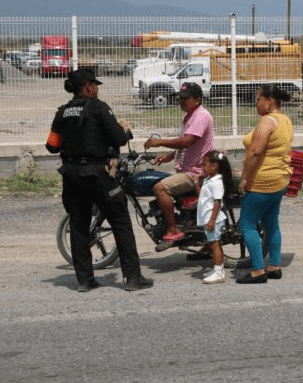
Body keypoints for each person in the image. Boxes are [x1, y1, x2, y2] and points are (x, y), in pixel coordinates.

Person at [45, 69, 154, 292]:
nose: (97, 89)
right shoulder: (99, 108)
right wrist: (124, 130)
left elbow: (52, 146)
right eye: (95, 85)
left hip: (72, 176)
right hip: (99, 174)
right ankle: (133, 278)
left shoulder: (62, 113)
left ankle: (85, 280)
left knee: (78, 226)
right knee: (121, 223)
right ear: (88, 86)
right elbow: (118, 140)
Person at [144, 82, 215, 248]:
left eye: (186, 98)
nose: (181, 101)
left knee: (160, 188)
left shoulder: (201, 116)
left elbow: (188, 141)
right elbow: (189, 144)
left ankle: (173, 229)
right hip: (189, 169)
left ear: (197, 99)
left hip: (195, 173)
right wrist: (169, 156)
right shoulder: (190, 116)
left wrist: (159, 142)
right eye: (180, 98)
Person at [236, 84, 293, 284]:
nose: (256, 104)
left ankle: (258, 270)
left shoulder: (267, 121)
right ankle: (274, 266)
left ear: (269, 101)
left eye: (258, 99)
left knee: (247, 224)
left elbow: (254, 152)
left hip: (262, 181)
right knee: (271, 223)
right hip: (279, 180)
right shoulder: (285, 120)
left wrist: (244, 178)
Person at [196, 150, 233, 284]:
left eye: (204, 164)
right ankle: (217, 269)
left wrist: (212, 220)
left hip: (214, 219)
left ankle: (219, 272)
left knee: (214, 244)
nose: (202, 167)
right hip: (208, 218)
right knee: (213, 244)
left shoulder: (217, 182)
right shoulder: (209, 180)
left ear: (214, 166)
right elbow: (203, 197)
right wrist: (196, 185)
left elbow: (217, 202)